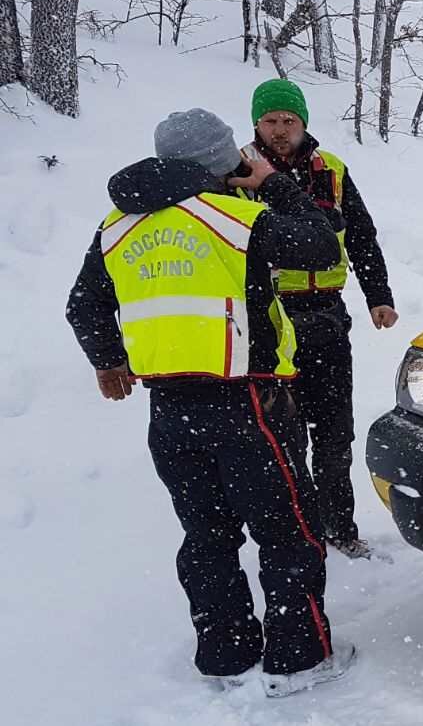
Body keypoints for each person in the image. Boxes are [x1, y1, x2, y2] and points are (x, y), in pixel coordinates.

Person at [66, 108, 357, 696]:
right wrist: (272, 183)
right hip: (247, 404)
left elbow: (83, 305)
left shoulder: (116, 229)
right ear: (224, 160)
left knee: (206, 536)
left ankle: (224, 651)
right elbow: (324, 246)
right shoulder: (237, 218)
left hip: (168, 412)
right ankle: (300, 655)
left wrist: (107, 361)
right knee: (286, 532)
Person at [244, 78, 398, 559]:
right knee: (284, 437)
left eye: (289, 119)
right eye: (271, 120)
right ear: (257, 124)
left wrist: (379, 295)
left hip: (328, 317)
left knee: (335, 435)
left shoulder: (331, 169)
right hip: (270, 320)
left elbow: (363, 238)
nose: (281, 129)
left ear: (304, 122)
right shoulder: (236, 170)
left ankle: (339, 528)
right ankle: (301, 533)